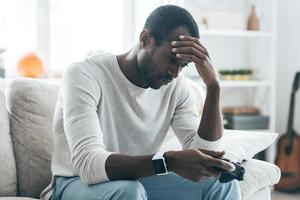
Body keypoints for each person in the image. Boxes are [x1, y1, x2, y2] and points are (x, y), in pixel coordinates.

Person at [41, 5, 241, 200]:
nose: (175, 73)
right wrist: (168, 162)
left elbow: (202, 153)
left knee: (221, 184)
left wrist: (213, 86)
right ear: (145, 39)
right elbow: (88, 165)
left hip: (135, 181)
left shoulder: (177, 88)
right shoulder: (85, 74)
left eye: (183, 65)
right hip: (74, 184)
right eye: (171, 59)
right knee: (128, 191)